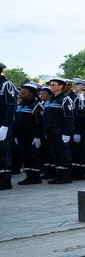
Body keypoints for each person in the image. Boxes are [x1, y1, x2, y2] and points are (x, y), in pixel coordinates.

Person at [42, 77, 75, 184]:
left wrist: (67, 133)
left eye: (54, 84)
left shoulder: (65, 99)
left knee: (63, 154)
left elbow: (69, 118)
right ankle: (58, 175)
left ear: (61, 86)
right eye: (51, 84)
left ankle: (66, 176)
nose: (51, 86)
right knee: (54, 154)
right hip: (50, 131)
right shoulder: (50, 99)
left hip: (60, 132)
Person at [13, 82, 44, 186]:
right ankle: (28, 176)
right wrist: (16, 135)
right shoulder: (20, 105)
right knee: (24, 156)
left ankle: (35, 177)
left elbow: (39, 123)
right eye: (20, 93)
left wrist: (38, 136)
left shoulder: (36, 106)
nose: (21, 95)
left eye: (23, 93)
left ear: (31, 94)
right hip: (21, 136)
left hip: (32, 136)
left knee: (33, 156)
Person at [0, 62, 16, 190]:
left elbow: (10, 107)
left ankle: (5, 181)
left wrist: (5, 126)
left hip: (3, 125)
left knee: (3, 152)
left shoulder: (7, 85)